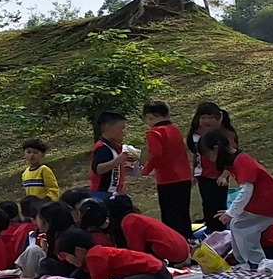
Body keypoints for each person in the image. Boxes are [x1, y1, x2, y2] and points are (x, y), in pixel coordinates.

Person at [211, 138, 273, 268]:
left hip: (268, 202)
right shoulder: (237, 161)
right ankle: (243, 260)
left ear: (216, 149)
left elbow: (246, 191)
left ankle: (256, 262)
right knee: (236, 224)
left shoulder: (242, 161)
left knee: (243, 227)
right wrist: (231, 212)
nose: (211, 159)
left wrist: (231, 212)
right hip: (261, 202)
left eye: (209, 154)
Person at [55, 226, 174, 279]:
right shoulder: (94, 255)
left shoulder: (95, 257)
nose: (67, 261)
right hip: (157, 273)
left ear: (78, 251)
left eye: (67, 256)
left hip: (159, 276)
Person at [139, 101, 194, 238]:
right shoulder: (174, 129)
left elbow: (156, 154)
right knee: (183, 212)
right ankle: (188, 239)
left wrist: (146, 169)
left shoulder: (154, 132)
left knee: (170, 215)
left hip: (168, 178)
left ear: (150, 116)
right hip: (184, 175)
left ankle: (175, 244)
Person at [187, 103, 238, 231]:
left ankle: (221, 232)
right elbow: (196, 154)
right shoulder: (196, 134)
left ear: (219, 117)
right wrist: (193, 174)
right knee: (207, 204)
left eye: (210, 117)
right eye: (203, 117)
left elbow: (232, 157)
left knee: (219, 205)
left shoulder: (227, 134)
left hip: (219, 175)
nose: (206, 121)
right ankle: (211, 231)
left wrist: (224, 175)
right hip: (202, 175)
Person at [103, 195, 191, 266]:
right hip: (182, 250)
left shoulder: (130, 222)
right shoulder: (135, 218)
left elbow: (137, 254)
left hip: (173, 256)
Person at [88, 113, 135, 202]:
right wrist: (116, 161)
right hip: (102, 193)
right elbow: (98, 169)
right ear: (108, 128)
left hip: (116, 192)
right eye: (122, 128)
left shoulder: (115, 147)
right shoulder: (102, 147)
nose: (124, 132)